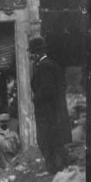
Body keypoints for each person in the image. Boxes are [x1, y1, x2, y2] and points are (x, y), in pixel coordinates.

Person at [29, 36, 71, 174]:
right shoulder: (52, 64)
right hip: (54, 110)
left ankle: (53, 169)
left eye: (33, 53)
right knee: (55, 140)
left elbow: (47, 89)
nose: (31, 56)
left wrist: (35, 99)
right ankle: (61, 166)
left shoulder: (44, 66)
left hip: (47, 112)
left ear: (38, 53)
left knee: (46, 140)